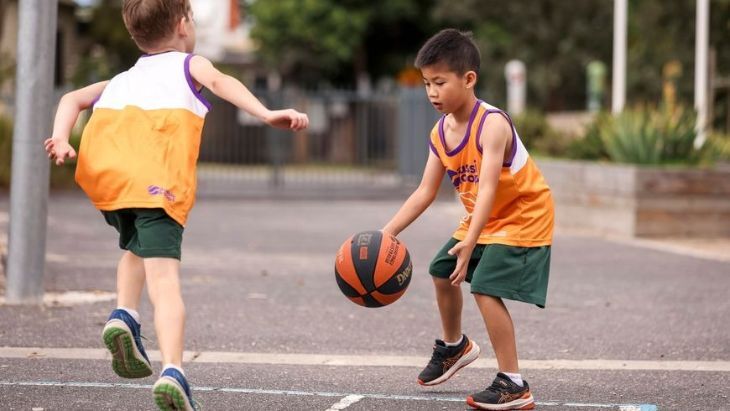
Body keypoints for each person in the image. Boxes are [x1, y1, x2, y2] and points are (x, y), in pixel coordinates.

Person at [44, 1, 308, 409]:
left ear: (136, 35)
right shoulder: (190, 65)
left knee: (137, 249)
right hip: (156, 184)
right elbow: (222, 83)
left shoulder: (122, 78)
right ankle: (173, 372)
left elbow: (71, 99)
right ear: (184, 25)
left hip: (114, 184)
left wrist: (62, 138)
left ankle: (124, 314)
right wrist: (266, 112)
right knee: (165, 283)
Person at [382, 28, 553, 411]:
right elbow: (426, 192)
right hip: (486, 216)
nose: (432, 93)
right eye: (427, 83)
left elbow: (490, 188)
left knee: (484, 286)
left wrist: (472, 242)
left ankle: (513, 383)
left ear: (469, 79)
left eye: (440, 82)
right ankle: (455, 345)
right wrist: (387, 233)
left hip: (523, 214)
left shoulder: (491, 123)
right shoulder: (440, 132)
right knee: (442, 270)